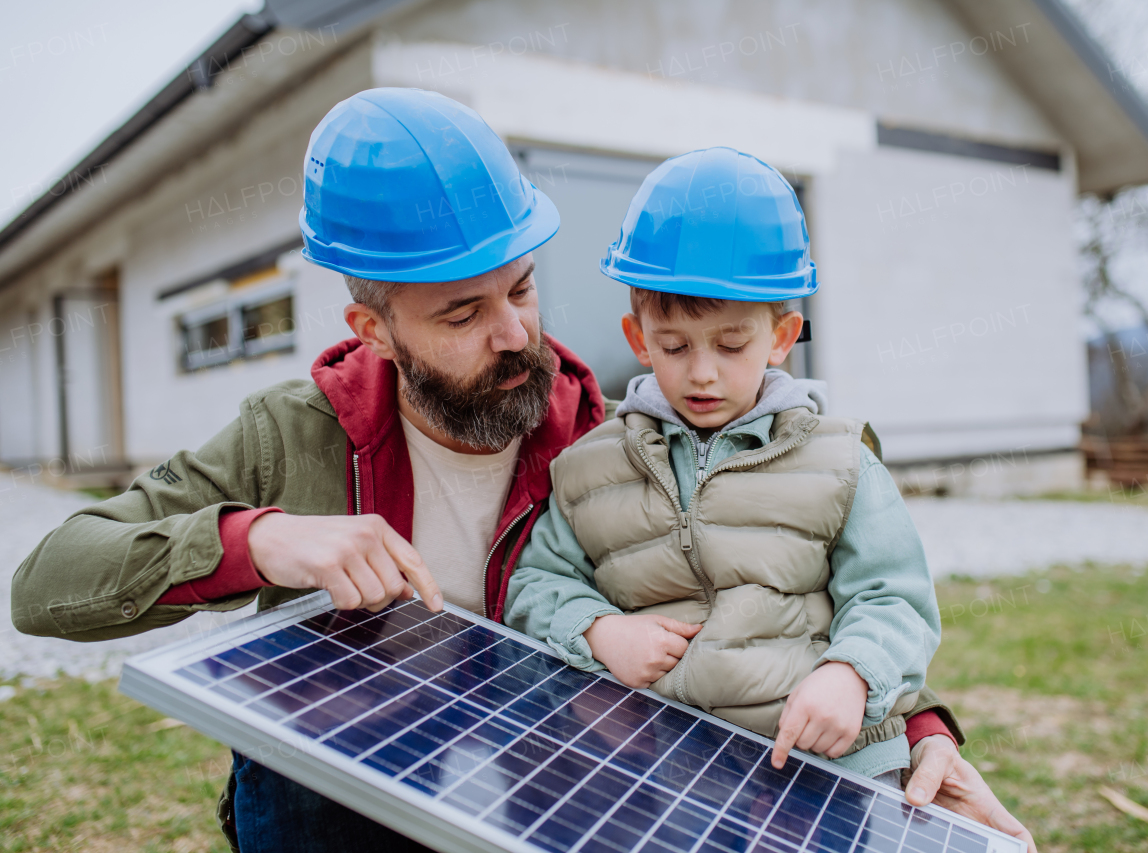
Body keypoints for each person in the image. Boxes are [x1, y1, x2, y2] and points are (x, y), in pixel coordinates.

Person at [10, 89, 1035, 852]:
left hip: (548, 787)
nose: (516, 336)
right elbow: (49, 582)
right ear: (373, 328)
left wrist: (920, 724)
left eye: (522, 288)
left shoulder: (602, 435)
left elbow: (774, 575)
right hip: (333, 800)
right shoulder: (294, 435)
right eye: (461, 314)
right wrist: (260, 538)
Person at [506, 147, 937, 790]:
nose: (702, 372)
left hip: (830, 759)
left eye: (732, 346)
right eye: (675, 346)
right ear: (638, 339)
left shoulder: (842, 460)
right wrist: (598, 630)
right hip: (668, 768)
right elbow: (535, 585)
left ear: (782, 338)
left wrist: (853, 673)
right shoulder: (587, 467)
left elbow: (894, 596)